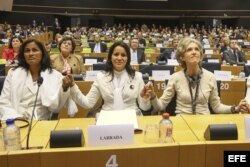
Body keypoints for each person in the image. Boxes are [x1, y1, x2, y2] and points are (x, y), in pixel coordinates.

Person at [141, 37, 248, 115]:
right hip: (182, 122)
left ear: (201, 55)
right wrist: (153, 96)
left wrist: (235, 108)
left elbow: (216, 107)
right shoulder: (175, 77)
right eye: (189, 50)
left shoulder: (210, 77)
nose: (194, 52)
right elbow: (161, 106)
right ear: (182, 57)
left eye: (197, 49)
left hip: (205, 122)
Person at [63, 41, 151, 115]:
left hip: (132, 118)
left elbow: (145, 107)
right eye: (116, 54)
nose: (119, 58)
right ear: (110, 57)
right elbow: (88, 103)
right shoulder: (101, 77)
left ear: (127, 58)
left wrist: (145, 99)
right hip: (108, 119)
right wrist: (73, 86)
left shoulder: (137, 76)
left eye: (123, 55)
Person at [0, 39, 76, 120]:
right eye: (27, 51)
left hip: (41, 122)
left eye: (35, 50)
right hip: (15, 119)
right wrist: (16, 119)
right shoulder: (13, 73)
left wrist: (64, 89)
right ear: (23, 55)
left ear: (42, 54)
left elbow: (56, 108)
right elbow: (3, 102)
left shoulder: (54, 75)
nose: (31, 54)